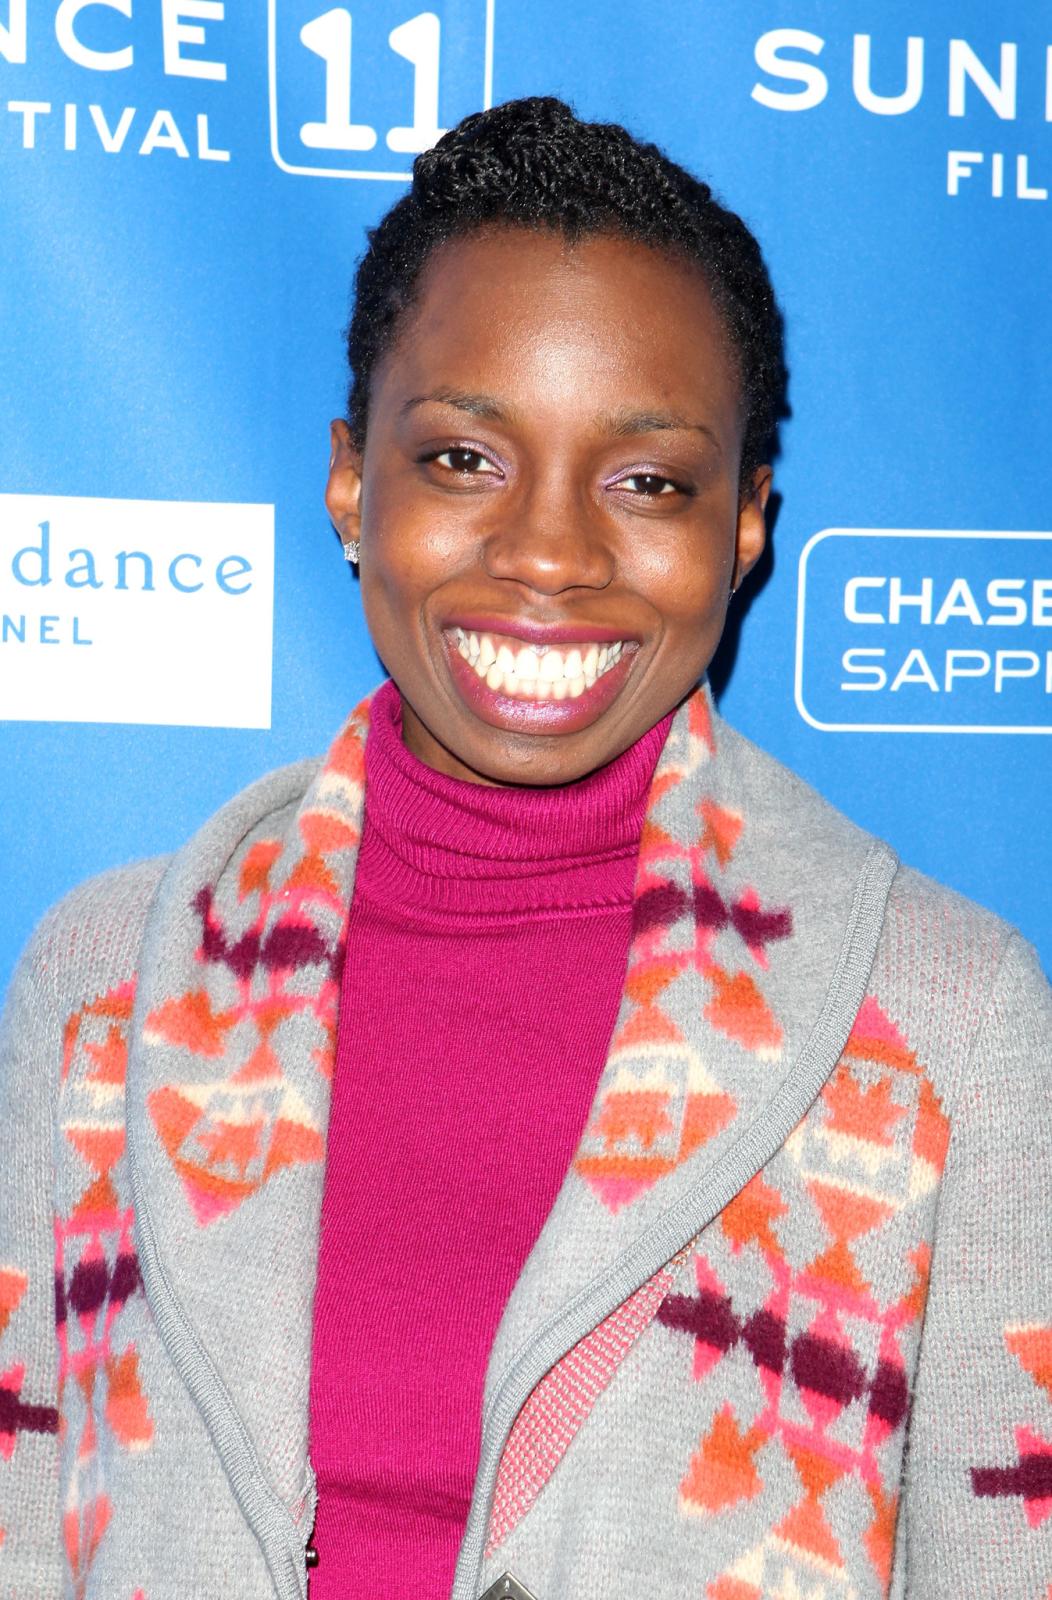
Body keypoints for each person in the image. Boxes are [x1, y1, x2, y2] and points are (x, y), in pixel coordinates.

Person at [0, 97, 1048, 1600]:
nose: (550, 553)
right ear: (352, 480)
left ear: (747, 525)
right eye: (464, 460)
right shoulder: (105, 988)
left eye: (648, 482)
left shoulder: (947, 1017)